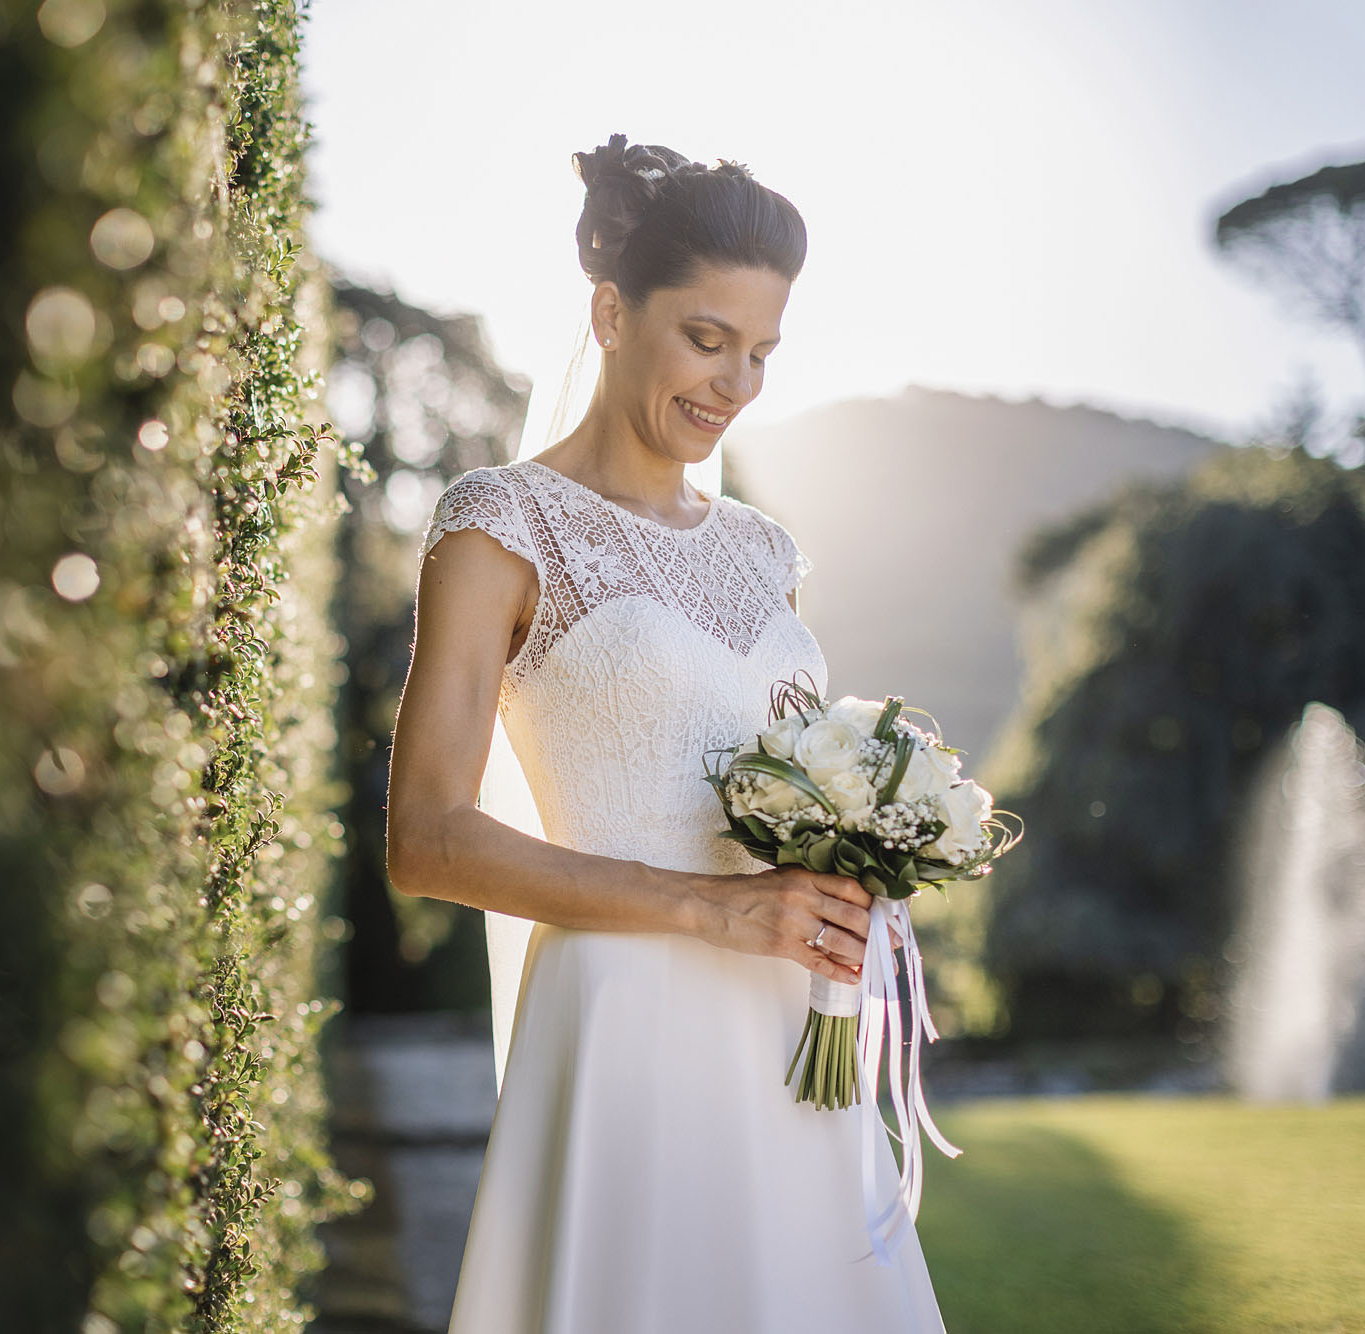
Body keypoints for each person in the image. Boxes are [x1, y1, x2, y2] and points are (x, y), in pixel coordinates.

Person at [384, 133, 948, 1334]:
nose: (734, 382)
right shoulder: (499, 526)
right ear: (607, 310)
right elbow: (427, 838)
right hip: (624, 1020)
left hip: (794, 1027)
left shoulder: (762, 547)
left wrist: (855, 863)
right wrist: (707, 907)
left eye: (760, 351)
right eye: (704, 338)